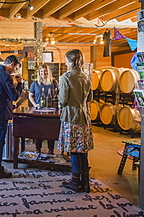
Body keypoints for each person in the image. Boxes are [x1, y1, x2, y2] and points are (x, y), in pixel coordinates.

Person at [57, 49, 94, 193]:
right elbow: (90, 99)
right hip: (84, 117)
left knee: (73, 150)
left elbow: (62, 100)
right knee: (83, 151)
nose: (65, 63)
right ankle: (85, 183)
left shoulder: (66, 77)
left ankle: (74, 181)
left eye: (66, 60)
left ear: (71, 61)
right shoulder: (86, 77)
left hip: (71, 117)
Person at [28, 63, 59, 154]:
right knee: (39, 131)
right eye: (41, 71)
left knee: (51, 130)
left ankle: (51, 150)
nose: (43, 73)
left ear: (48, 71)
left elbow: (58, 94)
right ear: (39, 72)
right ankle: (38, 149)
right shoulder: (35, 83)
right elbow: (30, 96)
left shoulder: (54, 82)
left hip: (51, 110)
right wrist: (35, 105)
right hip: (39, 110)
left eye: (45, 71)